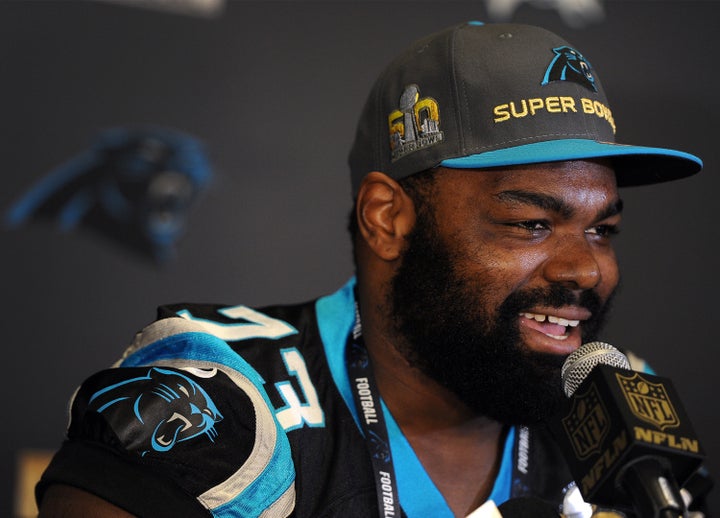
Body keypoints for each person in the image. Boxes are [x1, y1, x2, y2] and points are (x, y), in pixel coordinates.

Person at [35, 21, 710, 517]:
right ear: (388, 219)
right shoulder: (226, 402)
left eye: (603, 229)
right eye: (532, 223)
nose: (587, 270)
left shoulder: (615, 406)